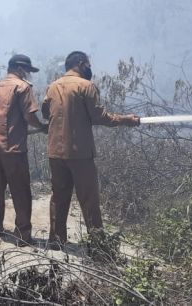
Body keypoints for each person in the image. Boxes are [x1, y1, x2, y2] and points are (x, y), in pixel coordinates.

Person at [41, 51, 139, 247]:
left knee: (59, 196)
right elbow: (99, 117)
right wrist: (126, 120)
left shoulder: (52, 87)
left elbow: (45, 112)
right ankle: (97, 244)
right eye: (88, 64)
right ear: (80, 63)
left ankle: (56, 240)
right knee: (89, 198)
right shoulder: (86, 86)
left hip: (55, 152)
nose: (89, 68)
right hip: (79, 152)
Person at [0, 54, 48, 246]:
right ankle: (23, 235)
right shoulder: (22, 87)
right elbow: (29, 116)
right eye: (27, 71)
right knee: (21, 192)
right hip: (15, 150)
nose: (28, 75)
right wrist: (42, 127)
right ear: (19, 69)